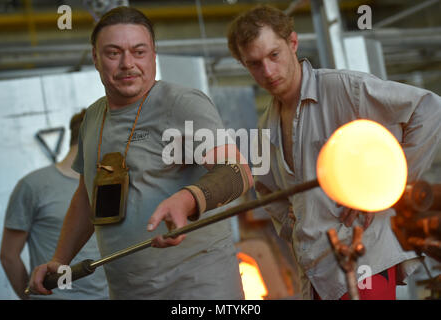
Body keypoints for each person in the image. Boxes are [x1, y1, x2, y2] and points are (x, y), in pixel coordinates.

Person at [28, 6, 253, 299]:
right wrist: (60, 261)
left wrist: (188, 200)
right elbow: (87, 196)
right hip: (129, 290)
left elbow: (238, 172)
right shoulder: (94, 117)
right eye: (113, 53)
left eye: (138, 51)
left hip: (197, 288)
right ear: (95, 58)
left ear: (153, 54)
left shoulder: (181, 103)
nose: (127, 64)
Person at [227, 5, 441, 300]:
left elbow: (429, 109)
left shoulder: (343, 89)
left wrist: (385, 190)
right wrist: (295, 221)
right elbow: (269, 192)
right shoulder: (266, 126)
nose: (268, 71)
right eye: (254, 63)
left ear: (292, 43)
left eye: (273, 55)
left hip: (362, 258)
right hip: (314, 272)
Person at [0, 110, 109, 300]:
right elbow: (9, 255)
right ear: (92, 137)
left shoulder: (108, 184)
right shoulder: (33, 185)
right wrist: (28, 297)